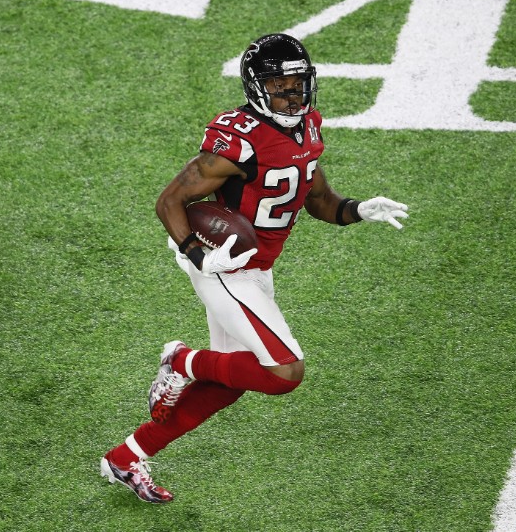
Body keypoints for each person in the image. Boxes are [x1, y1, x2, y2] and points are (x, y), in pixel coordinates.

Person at [100, 34, 409, 502]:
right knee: (284, 371)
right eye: (279, 83)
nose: (291, 92)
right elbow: (169, 201)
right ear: (257, 86)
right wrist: (199, 256)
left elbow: (319, 200)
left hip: (257, 271)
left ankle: (125, 456)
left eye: (298, 81)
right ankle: (180, 360)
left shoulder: (307, 128)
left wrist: (359, 209)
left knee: (229, 384)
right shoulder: (239, 140)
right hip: (224, 266)